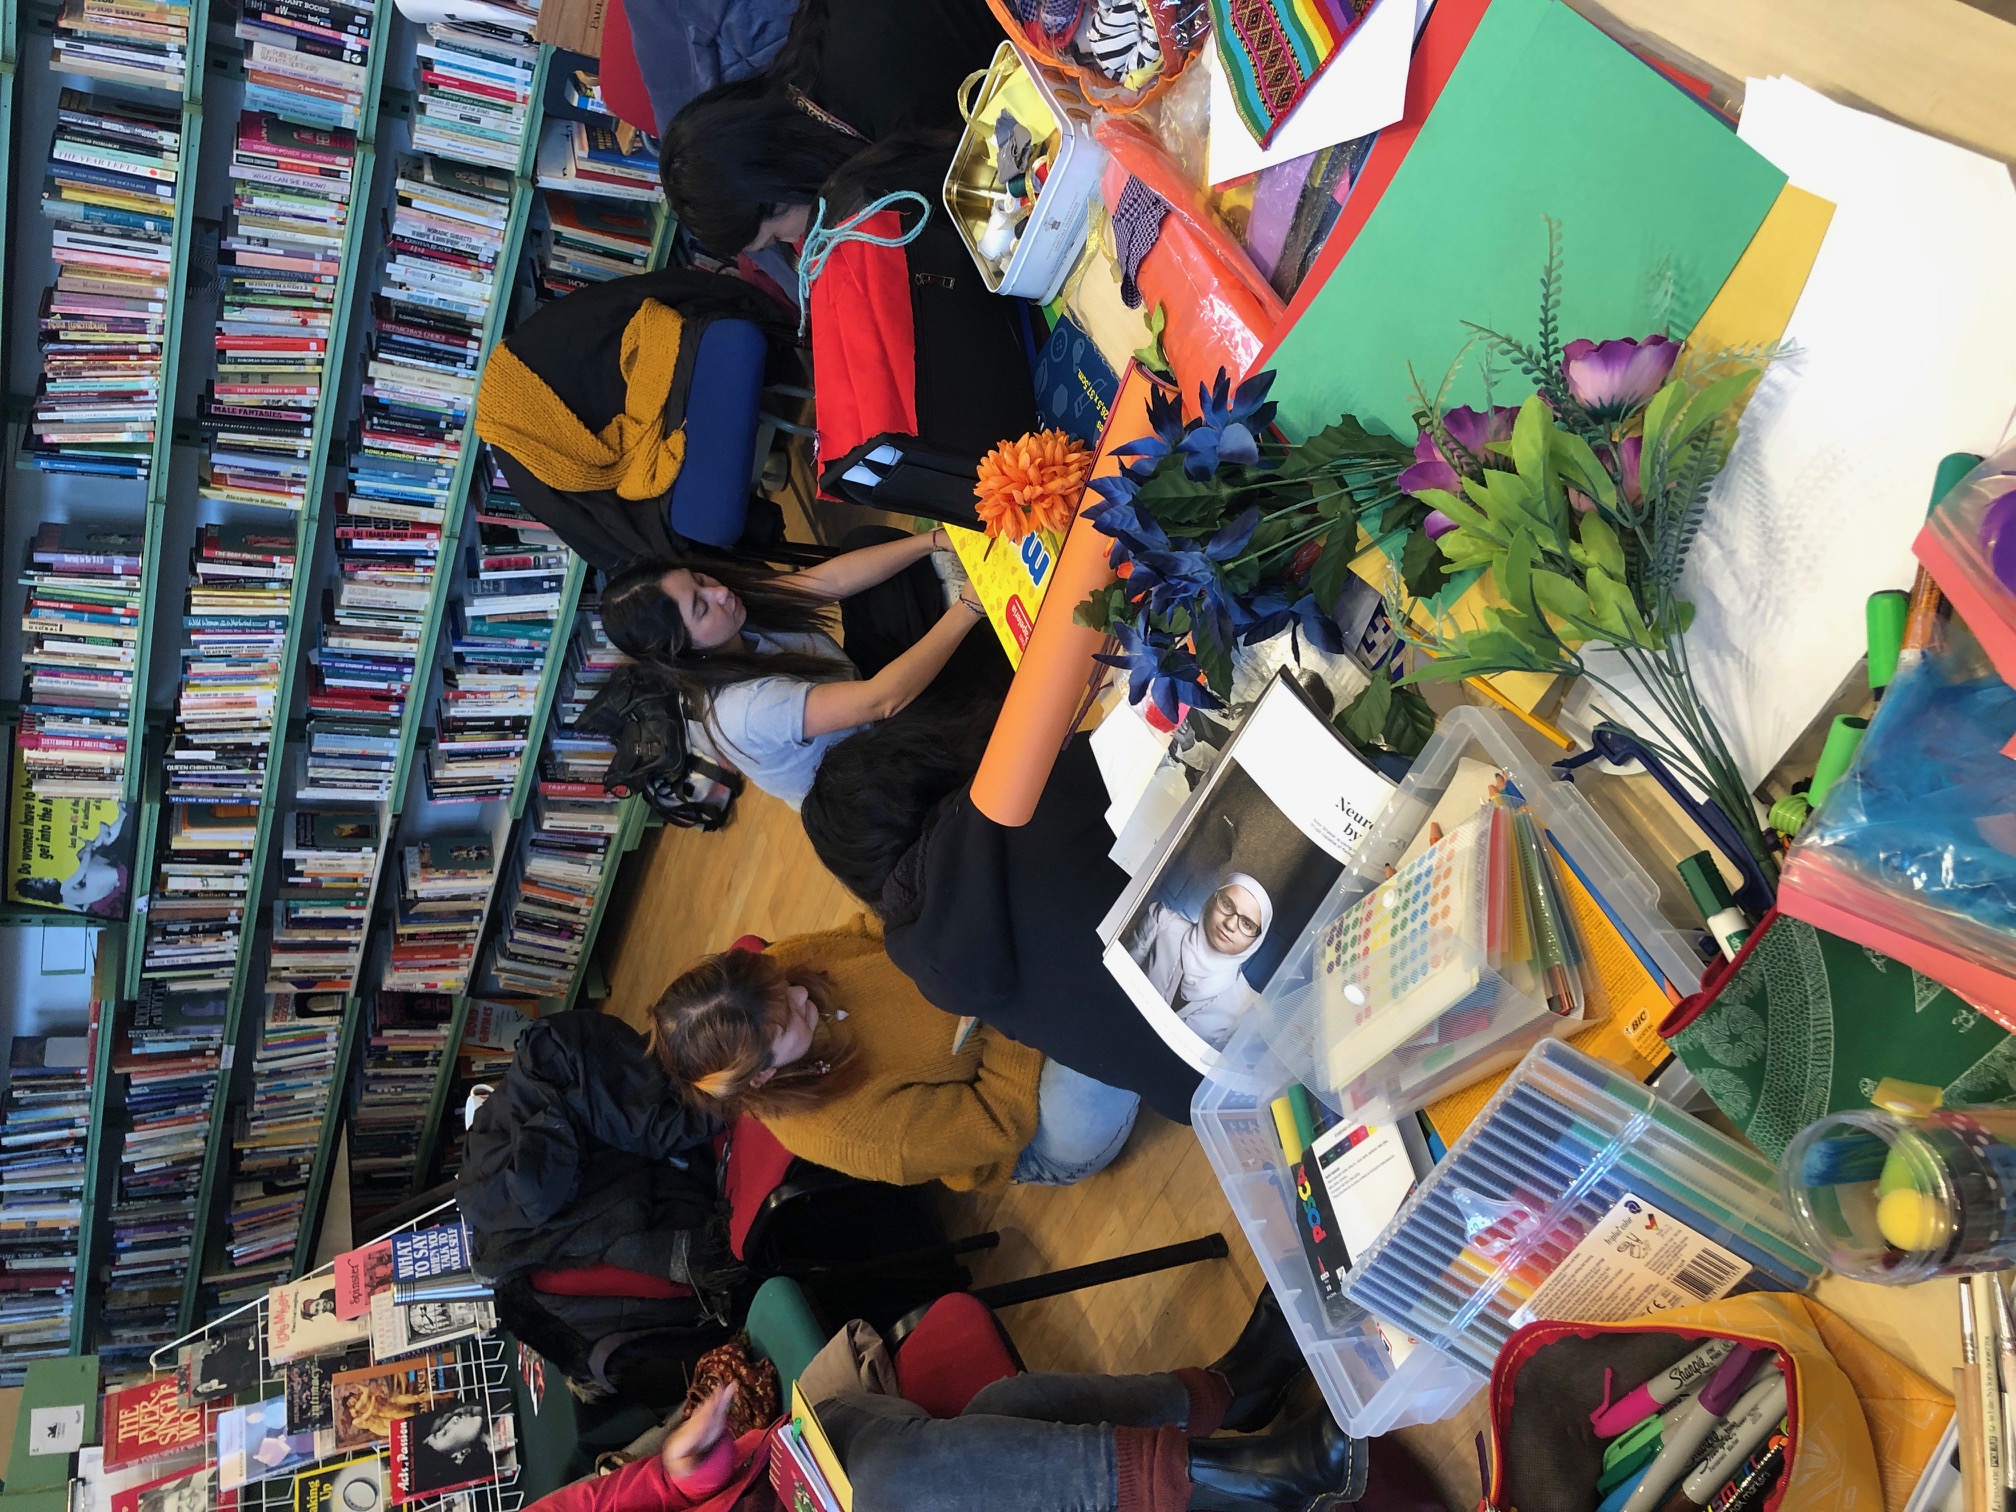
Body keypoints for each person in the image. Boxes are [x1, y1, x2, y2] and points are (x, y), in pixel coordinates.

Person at [521, 1290, 1368, 1512]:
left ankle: (1232, 1418)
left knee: (997, 1411)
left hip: (776, 1483)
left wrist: (680, 1474)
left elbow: (620, 1496)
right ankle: (1247, 1468)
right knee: (903, 1477)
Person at [803, 719, 1204, 1123]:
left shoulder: (934, 959)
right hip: (1253, 989)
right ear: (918, 758)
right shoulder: (1038, 784)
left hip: (1205, 1097)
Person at [650, 920, 1138, 1190]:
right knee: (1114, 1012)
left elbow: (876, 928)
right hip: (1031, 1126)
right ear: (760, 1077)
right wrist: (1000, 997)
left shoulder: (778, 976)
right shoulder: (850, 1134)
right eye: (787, 1021)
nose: (801, 997)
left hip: (999, 994)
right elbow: (999, 1119)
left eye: (781, 983)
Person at [599, 533, 1003, 809]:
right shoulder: (743, 709)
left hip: (856, 687)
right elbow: (880, 701)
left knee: (868, 545)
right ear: (680, 650)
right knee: (983, 661)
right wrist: (968, 608)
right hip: (878, 764)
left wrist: (932, 539)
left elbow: (829, 580)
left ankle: (961, 610)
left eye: (701, 580)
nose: (718, 592)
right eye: (701, 607)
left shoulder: (736, 613)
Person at [455, 1011, 738, 1404]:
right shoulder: (496, 1208)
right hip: (582, 1054)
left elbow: (697, 1267)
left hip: (591, 1078)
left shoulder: (543, 1260)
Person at [472, 266, 797, 571]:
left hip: (679, 356)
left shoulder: (530, 368)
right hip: (653, 461)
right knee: (703, 521)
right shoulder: (535, 455)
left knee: (702, 524)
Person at [657, 0, 1002, 256]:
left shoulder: (895, 115)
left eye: (776, 237)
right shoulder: (806, 59)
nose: (797, 241)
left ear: (773, 185)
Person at [1123, 872, 1275, 1051]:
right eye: (1227, 904)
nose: (1231, 925)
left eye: (1247, 924)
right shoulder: (1161, 924)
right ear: (1213, 899)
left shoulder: (1245, 1006)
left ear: (1256, 940)